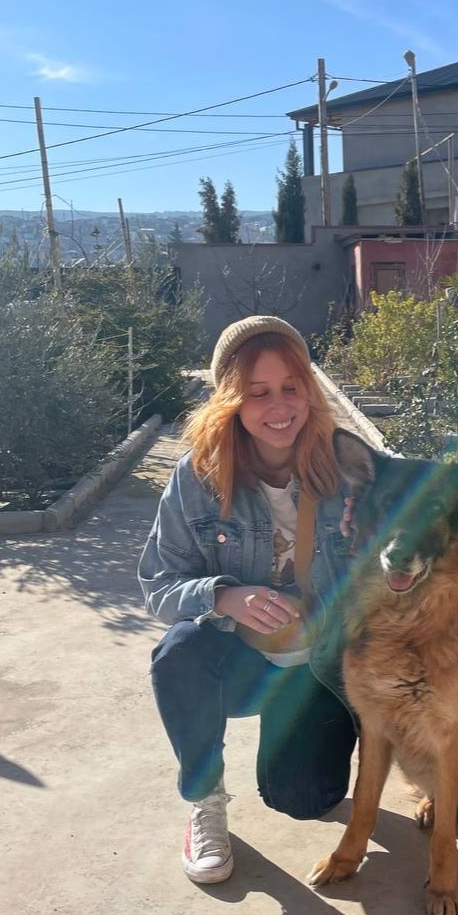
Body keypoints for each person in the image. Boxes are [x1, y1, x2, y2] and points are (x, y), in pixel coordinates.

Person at [139, 316, 358, 885]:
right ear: (231, 400)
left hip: (323, 668)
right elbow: (158, 584)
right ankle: (205, 802)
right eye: (258, 392)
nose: (279, 406)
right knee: (180, 649)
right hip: (242, 665)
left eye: (291, 387)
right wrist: (224, 596)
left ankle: (318, 734)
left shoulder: (346, 466)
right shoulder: (198, 476)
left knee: (306, 799)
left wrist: (384, 525)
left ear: (309, 390)